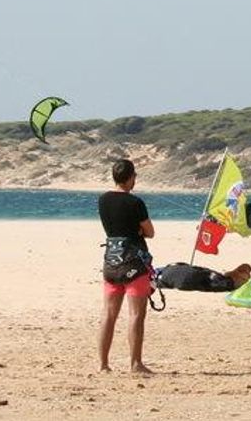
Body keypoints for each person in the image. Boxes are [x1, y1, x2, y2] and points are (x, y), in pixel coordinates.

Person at [98, 158, 155, 375]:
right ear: (131, 178)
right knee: (135, 315)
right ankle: (135, 364)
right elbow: (150, 232)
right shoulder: (135, 203)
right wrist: (138, 231)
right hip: (133, 264)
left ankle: (103, 365)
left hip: (111, 261)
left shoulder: (103, 200)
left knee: (108, 314)